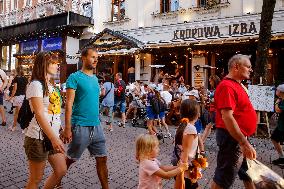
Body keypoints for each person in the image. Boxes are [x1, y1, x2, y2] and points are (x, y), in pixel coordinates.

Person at [61, 47, 109, 189]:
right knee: (70, 159)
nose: (95, 59)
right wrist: (68, 128)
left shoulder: (95, 79)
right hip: (80, 126)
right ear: (83, 58)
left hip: (97, 126)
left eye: (97, 57)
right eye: (92, 57)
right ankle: (56, 179)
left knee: (102, 158)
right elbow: (68, 104)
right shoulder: (74, 77)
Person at [211, 54, 257, 189]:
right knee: (223, 179)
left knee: (248, 173)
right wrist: (243, 142)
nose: (250, 69)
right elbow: (227, 117)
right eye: (248, 66)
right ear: (236, 67)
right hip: (233, 139)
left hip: (239, 138)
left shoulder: (238, 85)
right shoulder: (227, 86)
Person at [24, 52, 66, 188]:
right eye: (53, 63)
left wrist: (60, 129)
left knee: (61, 170)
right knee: (35, 179)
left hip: (52, 135)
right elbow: (40, 114)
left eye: (57, 63)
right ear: (44, 64)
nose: (57, 66)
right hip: (37, 137)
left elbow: (54, 112)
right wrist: (54, 138)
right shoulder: (36, 85)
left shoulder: (52, 86)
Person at [173, 99, 201, 189]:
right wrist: (180, 174)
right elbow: (185, 152)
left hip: (185, 168)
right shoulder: (190, 129)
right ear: (197, 114)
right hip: (187, 170)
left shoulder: (183, 125)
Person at [8, 66, 28, 131]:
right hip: (23, 96)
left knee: (16, 113)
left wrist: (10, 97)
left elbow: (14, 89)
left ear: (17, 70)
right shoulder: (25, 78)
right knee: (23, 113)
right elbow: (26, 89)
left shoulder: (16, 78)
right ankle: (24, 128)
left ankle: (14, 127)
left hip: (18, 97)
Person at [202, 75, 220, 142]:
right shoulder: (216, 88)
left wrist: (210, 99)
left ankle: (202, 140)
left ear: (214, 81)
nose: (210, 83)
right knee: (209, 126)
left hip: (215, 110)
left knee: (210, 126)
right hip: (213, 109)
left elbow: (217, 100)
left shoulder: (218, 88)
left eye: (210, 81)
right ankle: (202, 140)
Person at [271, 84, 284, 165]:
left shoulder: (282, 101)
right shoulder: (282, 99)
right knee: (275, 138)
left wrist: (276, 103)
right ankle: (282, 157)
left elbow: (278, 110)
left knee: (275, 138)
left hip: (283, 127)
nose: (276, 91)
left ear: (281, 92)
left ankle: (282, 158)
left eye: (277, 90)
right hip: (281, 125)